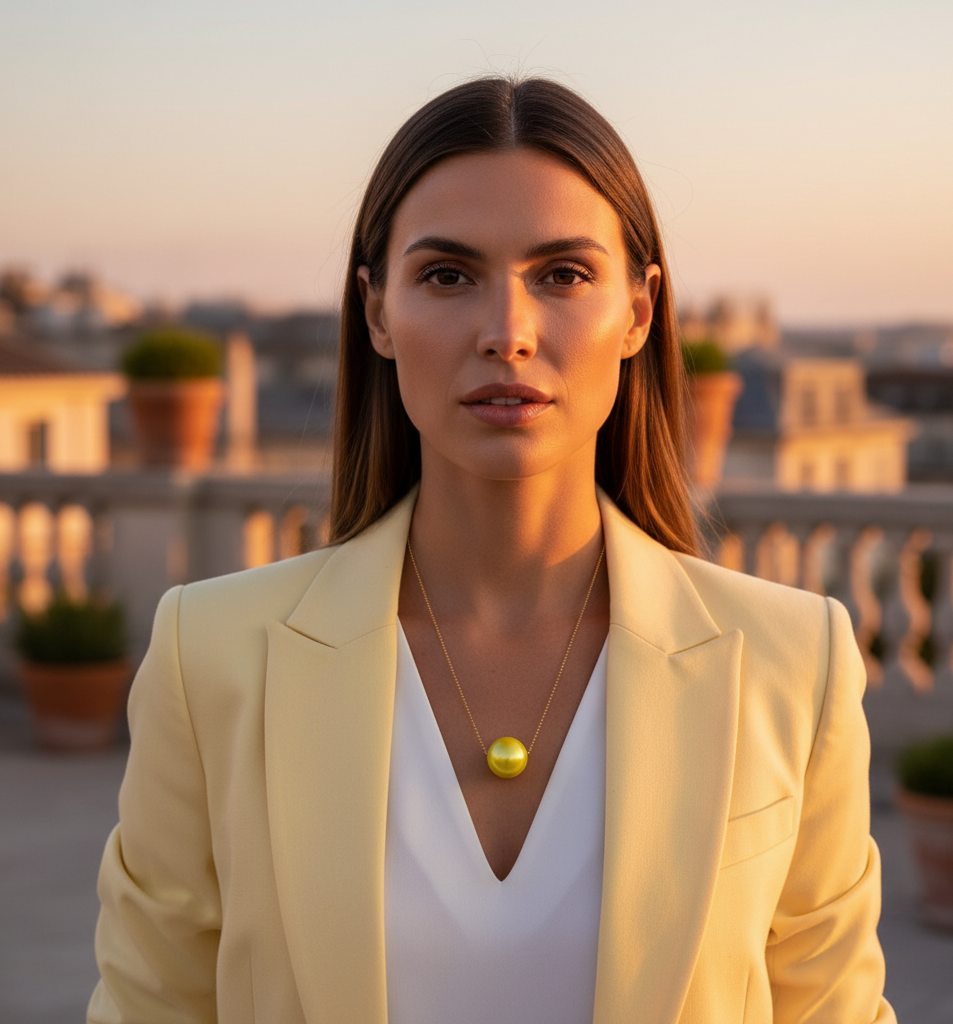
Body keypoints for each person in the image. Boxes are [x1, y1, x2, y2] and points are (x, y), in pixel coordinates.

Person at [88, 76, 895, 1024]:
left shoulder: (793, 665)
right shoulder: (210, 654)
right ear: (377, 313)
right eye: (447, 275)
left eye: (562, 274)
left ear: (639, 312)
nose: (507, 334)